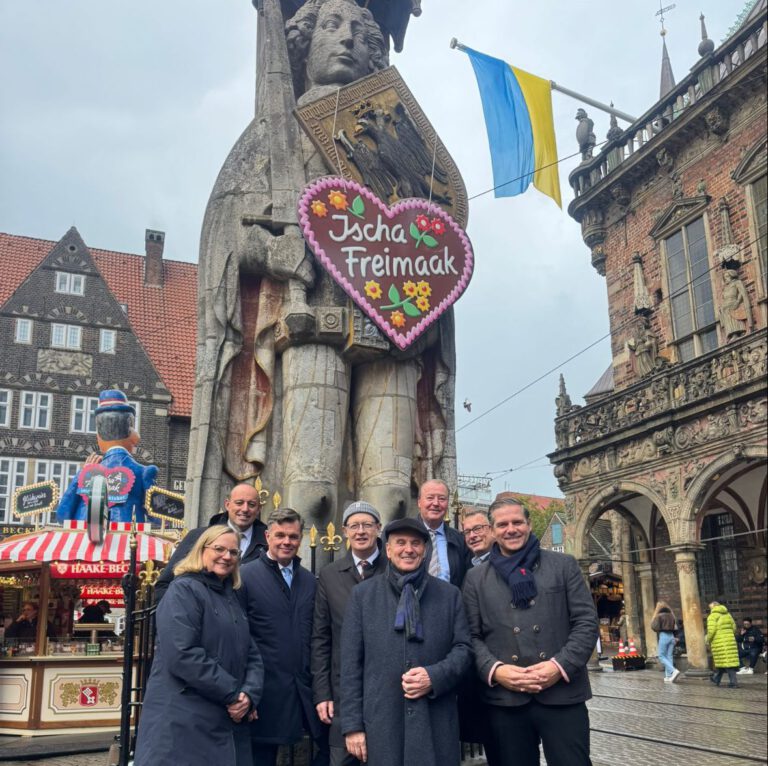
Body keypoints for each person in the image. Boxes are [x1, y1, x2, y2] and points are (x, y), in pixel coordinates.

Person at [186, 0, 457, 536]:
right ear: (303, 45)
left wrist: (426, 306)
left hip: (394, 332)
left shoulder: (397, 134)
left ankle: (387, 584)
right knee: (310, 493)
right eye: (332, 26)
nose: (348, 38)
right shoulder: (274, 136)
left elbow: (435, 230)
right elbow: (226, 232)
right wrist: (274, 253)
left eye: (359, 30)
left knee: (392, 496)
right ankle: (307, 583)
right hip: (313, 324)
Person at [462, 497, 598, 766]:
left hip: (561, 694)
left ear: (529, 524)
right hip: (506, 700)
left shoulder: (563, 565)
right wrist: (496, 670)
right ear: (492, 530)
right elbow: (470, 636)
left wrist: (558, 666)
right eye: (502, 524)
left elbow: (586, 622)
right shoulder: (475, 579)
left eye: (517, 522)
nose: (511, 529)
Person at [340, 517, 472, 766]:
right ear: (388, 550)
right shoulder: (363, 596)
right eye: (400, 543)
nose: (408, 549)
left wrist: (434, 677)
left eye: (415, 543)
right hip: (382, 724)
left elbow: (464, 649)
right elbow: (350, 666)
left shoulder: (449, 595)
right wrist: (352, 726)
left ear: (425, 550)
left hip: (435, 721)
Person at [133, 526, 264, 766]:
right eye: (219, 549)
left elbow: (251, 652)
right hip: (184, 720)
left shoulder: (230, 596)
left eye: (233, 552)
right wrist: (233, 694)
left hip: (223, 720)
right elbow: (182, 653)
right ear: (201, 550)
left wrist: (250, 694)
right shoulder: (183, 590)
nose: (227, 556)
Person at [240, 508, 325, 766]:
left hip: (302, 691)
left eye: (293, 536)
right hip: (263, 691)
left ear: (301, 538)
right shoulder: (245, 576)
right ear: (267, 536)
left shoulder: (309, 581)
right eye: (280, 535)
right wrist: (246, 691)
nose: (286, 542)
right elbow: (239, 638)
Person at [312, 501, 387, 766]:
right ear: (344, 531)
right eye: (354, 526)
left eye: (367, 525)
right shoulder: (330, 575)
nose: (361, 531)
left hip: (386, 691)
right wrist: (322, 693)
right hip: (343, 692)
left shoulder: (393, 569)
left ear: (378, 528)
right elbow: (321, 638)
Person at [57, 389, 157, 523]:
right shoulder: (144, 472)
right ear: (131, 431)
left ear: (99, 436)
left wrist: (82, 474)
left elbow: (62, 516)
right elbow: (159, 518)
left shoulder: (87, 473)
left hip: (86, 534)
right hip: (129, 534)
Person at [155, 483, 267, 601]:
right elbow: (164, 585)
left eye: (251, 504)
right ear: (227, 505)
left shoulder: (269, 544)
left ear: (259, 509)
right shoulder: (197, 537)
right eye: (239, 503)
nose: (245, 509)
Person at [417, 479, 471, 587]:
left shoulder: (460, 540)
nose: (436, 503)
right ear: (419, 502)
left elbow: (467, 579)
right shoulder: (403, 533)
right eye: (430, 498)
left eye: (442, 499)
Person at [706, 600, 740, 688]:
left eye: (710, 607)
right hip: (730, 640)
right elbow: (734, 627)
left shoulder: (712, 616)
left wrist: (707, 639)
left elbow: (711, 631)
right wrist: (729, 635)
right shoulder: (728, 614)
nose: (710, 609)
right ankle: (716, 678)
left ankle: (733, 683)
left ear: (714, 607)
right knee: (723, 661)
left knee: (727, 662)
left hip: (719, 642)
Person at [651, 601, 680, 683]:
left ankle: (673, 671)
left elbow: (654, 627)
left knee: (661, 656)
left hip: (664, 635)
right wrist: (676, 637)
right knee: (669, 656)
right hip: (672, 636)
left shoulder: (659, 615)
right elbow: (676, 627)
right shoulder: (672, 615)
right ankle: (669, 676)